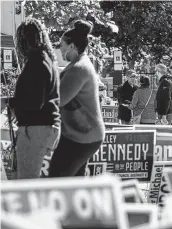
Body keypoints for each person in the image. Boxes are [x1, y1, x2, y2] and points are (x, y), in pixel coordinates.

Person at [48, 20, 105, 177]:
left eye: (62, 46)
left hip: (81, 137)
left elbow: (58, 100)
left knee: (56, 182)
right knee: (74, 184)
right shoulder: (78, 64)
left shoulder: (79, 69)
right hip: (82, 134)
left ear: (72, 46)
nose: (60, 50)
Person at [7, 18, 61, 179]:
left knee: (26, 180)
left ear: (24, 40)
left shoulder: (37, 61)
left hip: (36, 128)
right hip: (43, 127)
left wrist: (11, 102)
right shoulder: (46, 59)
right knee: (27, 178)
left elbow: (35, 101)